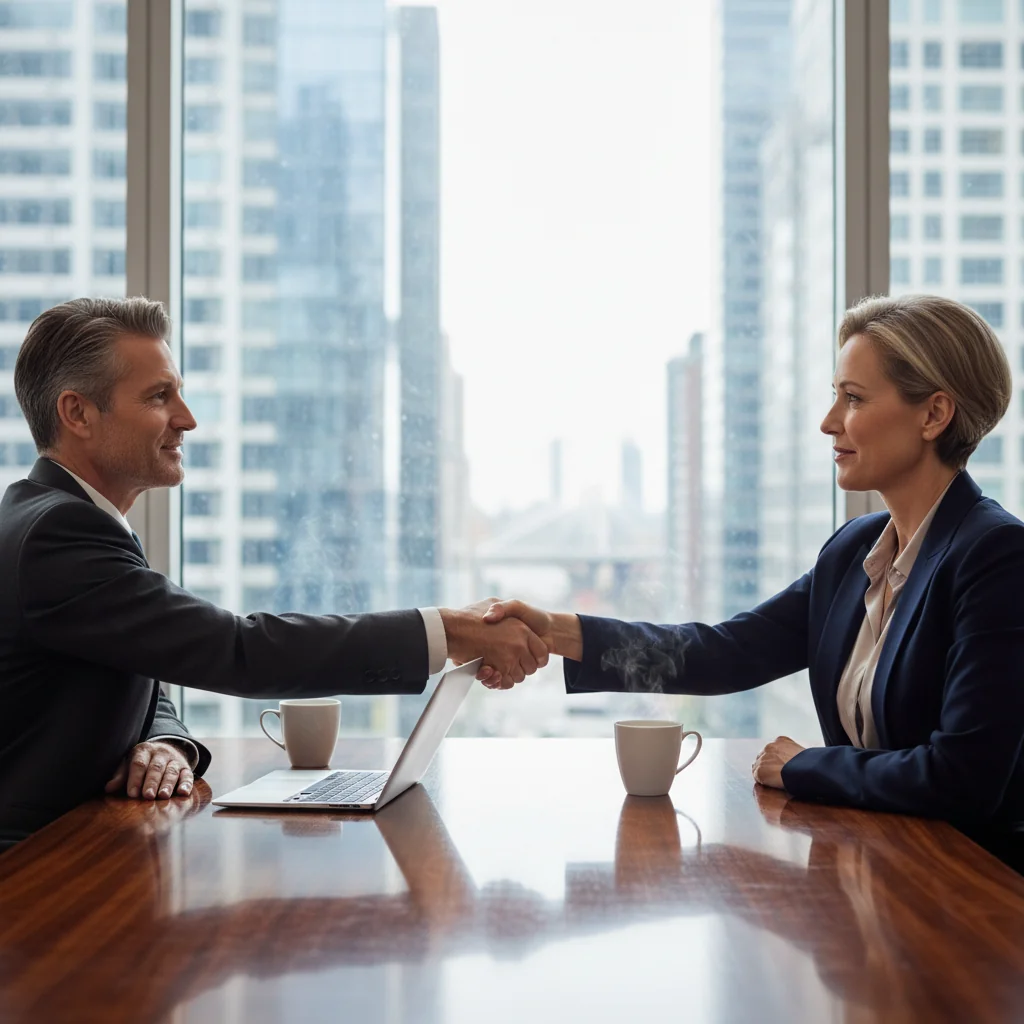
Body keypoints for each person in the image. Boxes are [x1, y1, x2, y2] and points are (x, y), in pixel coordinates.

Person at [484, 294, 1024, 866]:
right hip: (875, 874)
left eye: (854, 398)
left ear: (934, 415)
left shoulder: (996, 558)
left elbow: (964, 778)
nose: (828, 421)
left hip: (969, 899)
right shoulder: (852, 552)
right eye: (834, 395)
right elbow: (726, 653)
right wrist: (557, 630)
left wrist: (803, 766)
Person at [0, 297, 547, 849]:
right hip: (28, 883)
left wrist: (168, 742)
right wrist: (447, 631)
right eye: (159, 396)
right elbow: (238, 650)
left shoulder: (63, 521)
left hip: (79, 861)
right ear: (78, 414)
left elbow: (145, 665)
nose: (187, 418)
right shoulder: (58, 536)